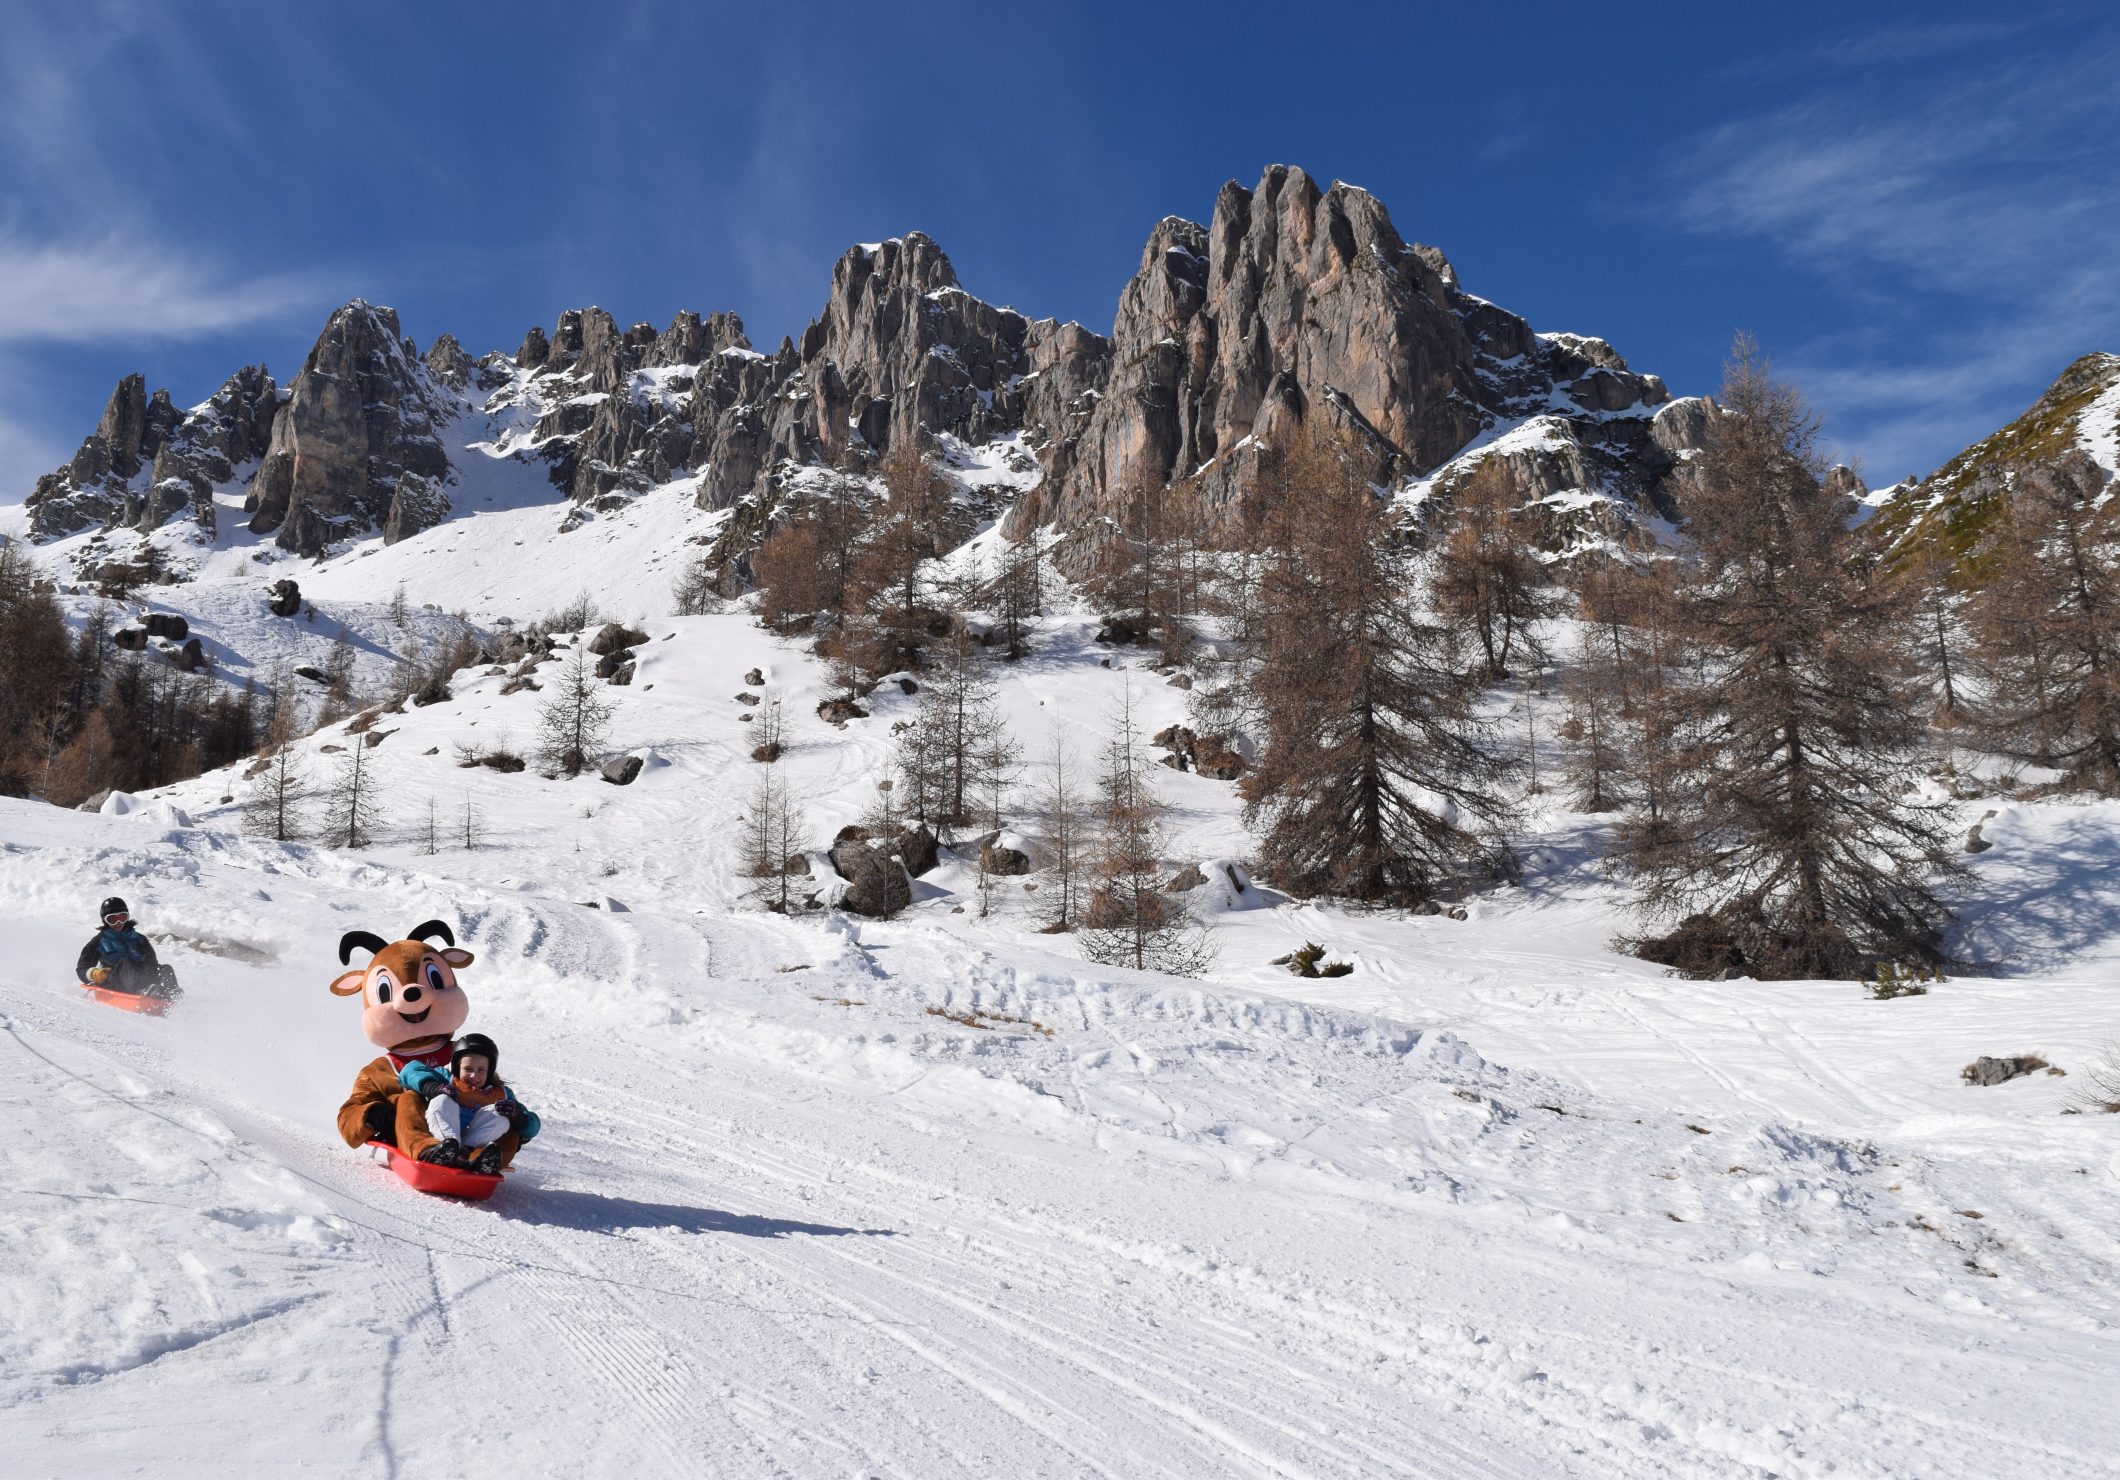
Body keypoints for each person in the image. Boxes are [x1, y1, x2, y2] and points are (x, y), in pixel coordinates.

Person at [398, 1033, 538, 1174]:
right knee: (442, 1100)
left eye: (481, 1070)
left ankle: (472, 1156)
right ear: (457, 1067)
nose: (474, 1075)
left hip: (474, 1143)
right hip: (440, 1137)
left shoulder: (501, 1094)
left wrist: (518, 1116)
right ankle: (447, 1150)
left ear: (489, 1071)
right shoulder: (446, 1079)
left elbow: (533, 1125)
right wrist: (433, 1087)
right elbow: (410, 1070)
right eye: (468, 1069)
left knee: (501, 1115)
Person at [76, 897, 182, 1000]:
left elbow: (152, 963)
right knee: (125, 962)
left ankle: (170, 993)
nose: (118, 923)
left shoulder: (140, 939)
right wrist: (94, 974)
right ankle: (142, 991)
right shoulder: (99, 942)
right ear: (105, 920)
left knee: (165, 968)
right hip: (113, 981)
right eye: (112, 919)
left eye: (122, 917)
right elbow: (82, 967)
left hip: (141, 980)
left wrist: (155, 977)